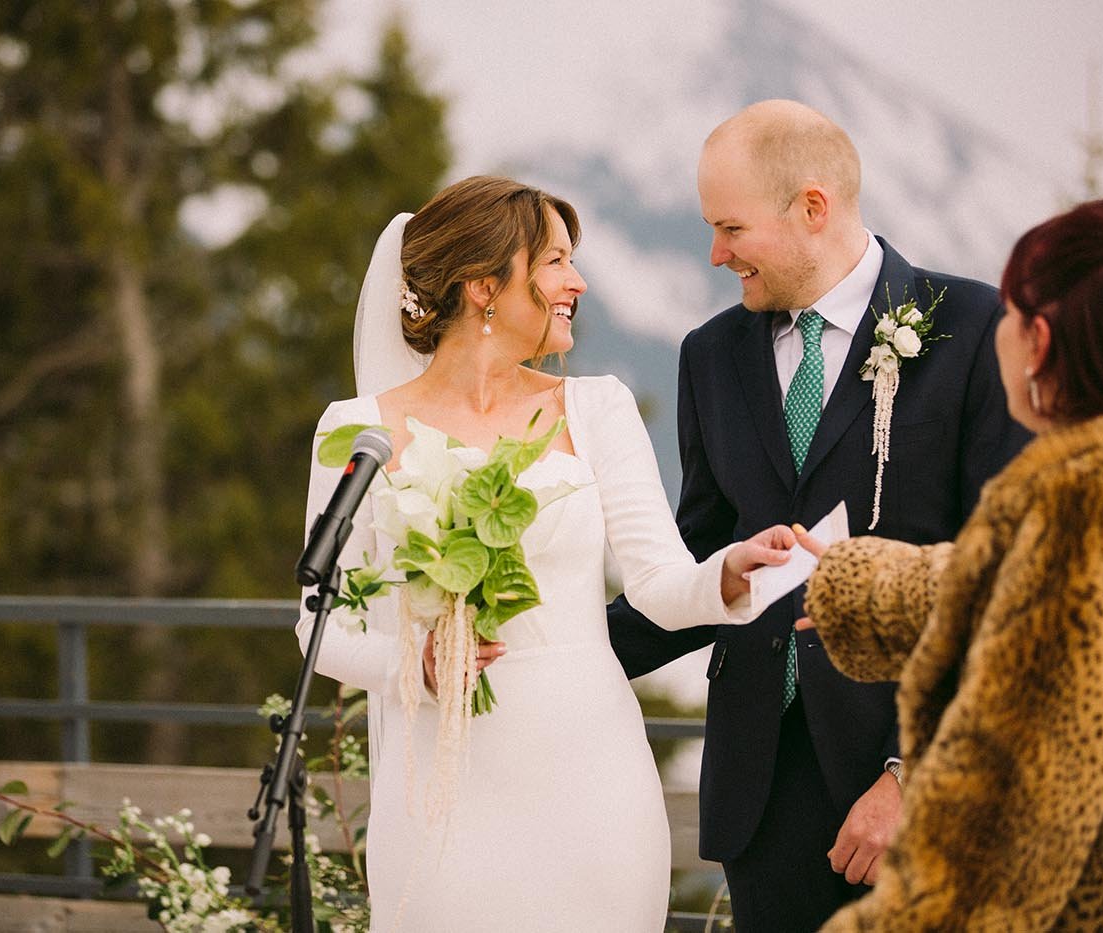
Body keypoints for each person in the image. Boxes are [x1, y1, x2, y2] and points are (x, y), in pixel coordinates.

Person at [299, 175, 795, 932]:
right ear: (482, 285)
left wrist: (726, 574)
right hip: (443, 781)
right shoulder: (358, 428)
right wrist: (417, 667)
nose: (578, 281)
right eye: (557, 260)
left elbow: (659, 581)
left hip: (591, 772)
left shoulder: (597, 407)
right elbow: (317, 623)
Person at [606, 99, 1030, 932]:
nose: (716, 253)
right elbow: (698, 561)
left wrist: (914, 775)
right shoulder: (711, 354)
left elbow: (1004, 573)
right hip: (760, 791)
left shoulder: (976, 328)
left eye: (731, 228)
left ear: (812, 208)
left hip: (917, 783)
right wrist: (560, 656)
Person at [797, 197, 1103, 929]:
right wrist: (864, 586)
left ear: (1037, 338)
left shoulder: (1084, 501)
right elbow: (1037, 592)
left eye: (1007, 314)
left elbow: (1021, 801)